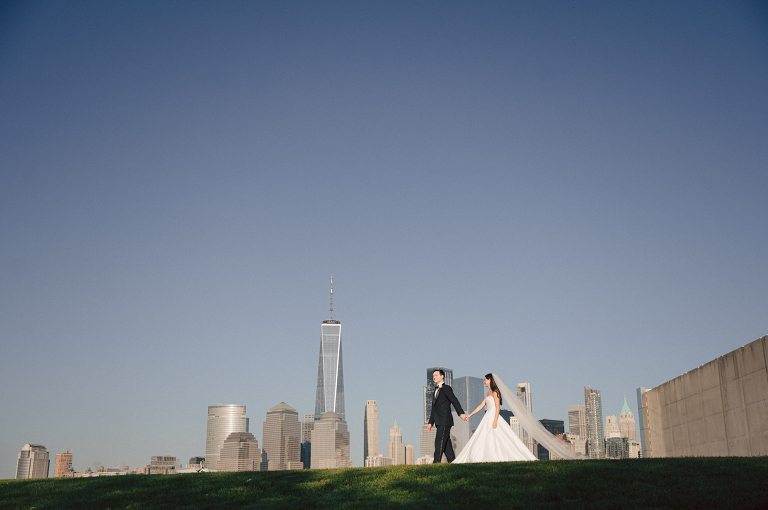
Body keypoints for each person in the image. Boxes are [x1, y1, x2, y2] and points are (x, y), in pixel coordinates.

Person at [452, 373, 537, 463]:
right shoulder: (488, 393)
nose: (484, 382)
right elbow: (481, 405)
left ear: (490, 380)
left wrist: (495, 420)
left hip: (493, 416)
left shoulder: (495, 392)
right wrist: (470, 415)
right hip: (487, 416)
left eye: (485, 380)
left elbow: (497, 407)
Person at [427, 369, 467, 463]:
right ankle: (453, 463)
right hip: (438, 421)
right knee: (446, 445)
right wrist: (430, 422)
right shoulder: (435, 391)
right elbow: (434, 408)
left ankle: (436, 463)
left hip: (445, 420)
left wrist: (460, 413)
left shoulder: (446, 388)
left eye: (436, 375)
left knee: (439, 441)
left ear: (442, 376)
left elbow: (454, 400)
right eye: (433, 376)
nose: (434, 377)